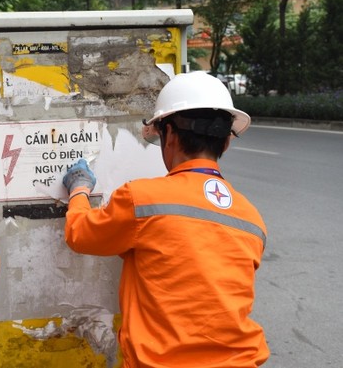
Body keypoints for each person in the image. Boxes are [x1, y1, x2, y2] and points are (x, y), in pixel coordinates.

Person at [61, 71, 269, 367]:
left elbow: (80, 234)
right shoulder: (252, 218)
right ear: (225, 143)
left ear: (169, 134)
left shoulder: (142, 200)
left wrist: (79, 188)